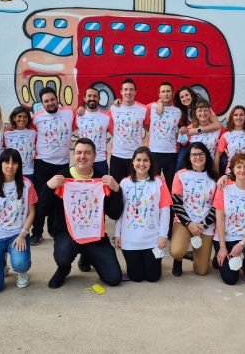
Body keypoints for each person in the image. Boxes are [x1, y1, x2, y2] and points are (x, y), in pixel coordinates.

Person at [42, 138, 124, 289]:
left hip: (94, 236)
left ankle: (87, 257)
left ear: (94, 156)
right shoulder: (62, 177)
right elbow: (43, 210)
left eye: (87, 153)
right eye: (79, 152)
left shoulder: (102, 179)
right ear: (74, 155)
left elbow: (114, 214)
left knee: (114, 278)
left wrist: (117, 190)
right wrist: (48, 187)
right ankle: (63, 268)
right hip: (68, 234)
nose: (82, 156)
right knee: (63, 255)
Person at [0, 149, 36, 293]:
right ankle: (1, 264)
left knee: (20, 263)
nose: (10, 166)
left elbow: (32, 212)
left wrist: (23, 234)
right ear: (0, 164)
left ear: (19, 166)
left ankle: (22, 272)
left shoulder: (26, 184)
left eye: (14, 162)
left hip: (17, 234)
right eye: (6, 162)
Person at [114, 147, 172, 282]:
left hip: (152, 239)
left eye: (145, 160)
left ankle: (150, 262)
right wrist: (117, 234)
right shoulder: (124, 183)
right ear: (133, 162)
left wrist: (163, 235)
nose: (142, 163)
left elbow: (165, 210)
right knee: (136, 277)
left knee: (153, 277)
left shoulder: (159, 182)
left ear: (151, 163)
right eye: (138, 160)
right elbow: (120, 212)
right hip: (130, 240)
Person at [31, 87, 75, 245]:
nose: (50, 103)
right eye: (46, 101)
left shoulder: (69, 113)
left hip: (63, 165)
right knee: (41, 201)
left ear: (57, 99)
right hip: (43, 164)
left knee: (59, 201)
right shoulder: (36, 118)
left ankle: (55, 230)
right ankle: (36, 232)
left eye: (52, 99)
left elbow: (83, 119)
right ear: (42, 103)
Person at [213, 153, 245, 285]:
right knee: (230, 279)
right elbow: (219, 219)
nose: (242, 170)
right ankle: (219, 256)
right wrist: (223, 247)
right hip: (226, 237)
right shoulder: (223, 188)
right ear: (233, 170)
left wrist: (242, 244)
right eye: (239, 167)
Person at [170, 142, 217, 277]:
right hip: (184, 222)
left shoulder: (214, 177)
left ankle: (193, 254)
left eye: (201, 154)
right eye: (194, 154)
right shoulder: (180, 175)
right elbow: (177, 204)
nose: (198, 157)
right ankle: (178, 259)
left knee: (201, 271)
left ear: (207, 156)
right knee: (176, 251)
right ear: (189, 158)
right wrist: (190, 224)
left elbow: (216, 206)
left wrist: (204, 224)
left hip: (205, 225)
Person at [169, 86, 221, 171]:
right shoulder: (179, 110)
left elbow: (217, 125)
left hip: (206, 138)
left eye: (187, 95)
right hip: (188, 141)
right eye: (182, 97)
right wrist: (182, 129)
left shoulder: (201, 106)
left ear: (191, 95)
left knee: (221, 162)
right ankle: (176, 183)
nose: (185, 98)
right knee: (180, 162)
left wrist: (197, 131)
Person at [109, 78, 149, 185]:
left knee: (135, 186)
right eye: (125, 89)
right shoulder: (113, 108)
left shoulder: (143, 109)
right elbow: (110, 128)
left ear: (135, 92)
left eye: (131, 89)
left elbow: (150, 129)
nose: (128, 92)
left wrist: (144, 145)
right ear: (121, 91)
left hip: (136, 157)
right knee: (116, 188)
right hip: (117, 156)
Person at [147, 81, 181, 191]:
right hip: (154, 153)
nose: (166, 94)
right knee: (153, 185)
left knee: (171, 185)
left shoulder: (178, 111)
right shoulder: (151, 107)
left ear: (172, 93)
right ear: (159, 94)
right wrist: (117, 102)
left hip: (171, 154)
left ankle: (171, 208)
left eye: (168, 91)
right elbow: (133, 106)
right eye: (163, 92)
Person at [74, 86, 113, 175]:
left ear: (99, 99)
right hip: (82, 160)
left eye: (95, 96)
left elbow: (117, 134)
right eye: (89, 96)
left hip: (100, 161)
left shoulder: (107, 117)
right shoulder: (77, 116)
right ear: (85, 98)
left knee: (101, 188)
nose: (92, 98)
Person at [215, 105, 245, 176]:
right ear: (232, 117)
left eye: (241, 115)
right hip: (232, 172)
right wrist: (216, 175)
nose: (238, 117)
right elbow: (217, 156)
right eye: (235, 115)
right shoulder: (226, 136)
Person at [4, 106, 37, 184]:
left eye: (25, 117)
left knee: (27, 195)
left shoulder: (33, 133)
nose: (22, 119)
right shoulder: (6, 133)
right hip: (11, 171)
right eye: (19, 116)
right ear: (14, 118)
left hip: (28, 171)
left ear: (28, 119)